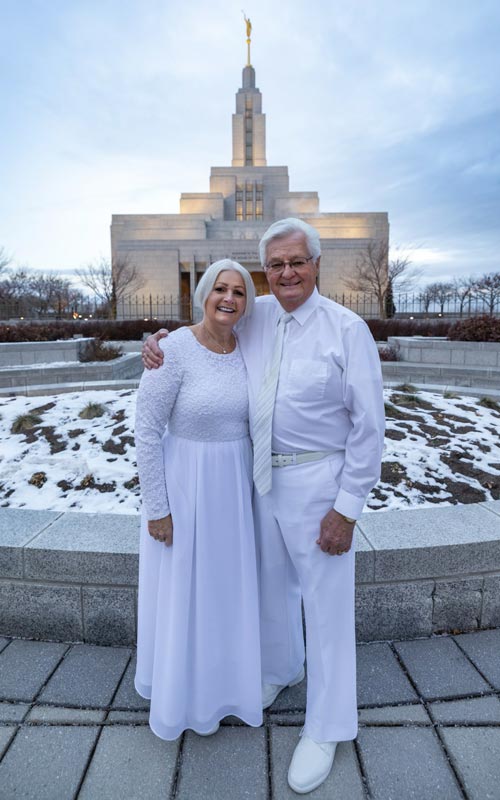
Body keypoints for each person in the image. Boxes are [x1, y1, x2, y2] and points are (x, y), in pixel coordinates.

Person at [143, 218, 385, 793]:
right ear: (265, 272)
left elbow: (370, 430)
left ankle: (327, 727)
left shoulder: (346, 330)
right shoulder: (259, 318)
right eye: (275, 265)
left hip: (320, 486)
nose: (286, 273)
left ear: (316, 264)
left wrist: (346, 508)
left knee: (327, 611)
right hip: (259, 483)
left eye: (296, 262)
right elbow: (208, 330)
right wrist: (158, 343)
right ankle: (280, 670)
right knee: (272, 588)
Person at [134, 258, 262, 741]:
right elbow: (146, 433)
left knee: (225, 591)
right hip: (185, 490)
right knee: (186, 593)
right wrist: (158, 508)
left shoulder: (249, 346)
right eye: (220, 289)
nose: (229, 298)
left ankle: (225, 685)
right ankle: (181, 695)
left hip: (235, 491)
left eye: (239, 291)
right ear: (203, 293)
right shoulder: (174, 350)